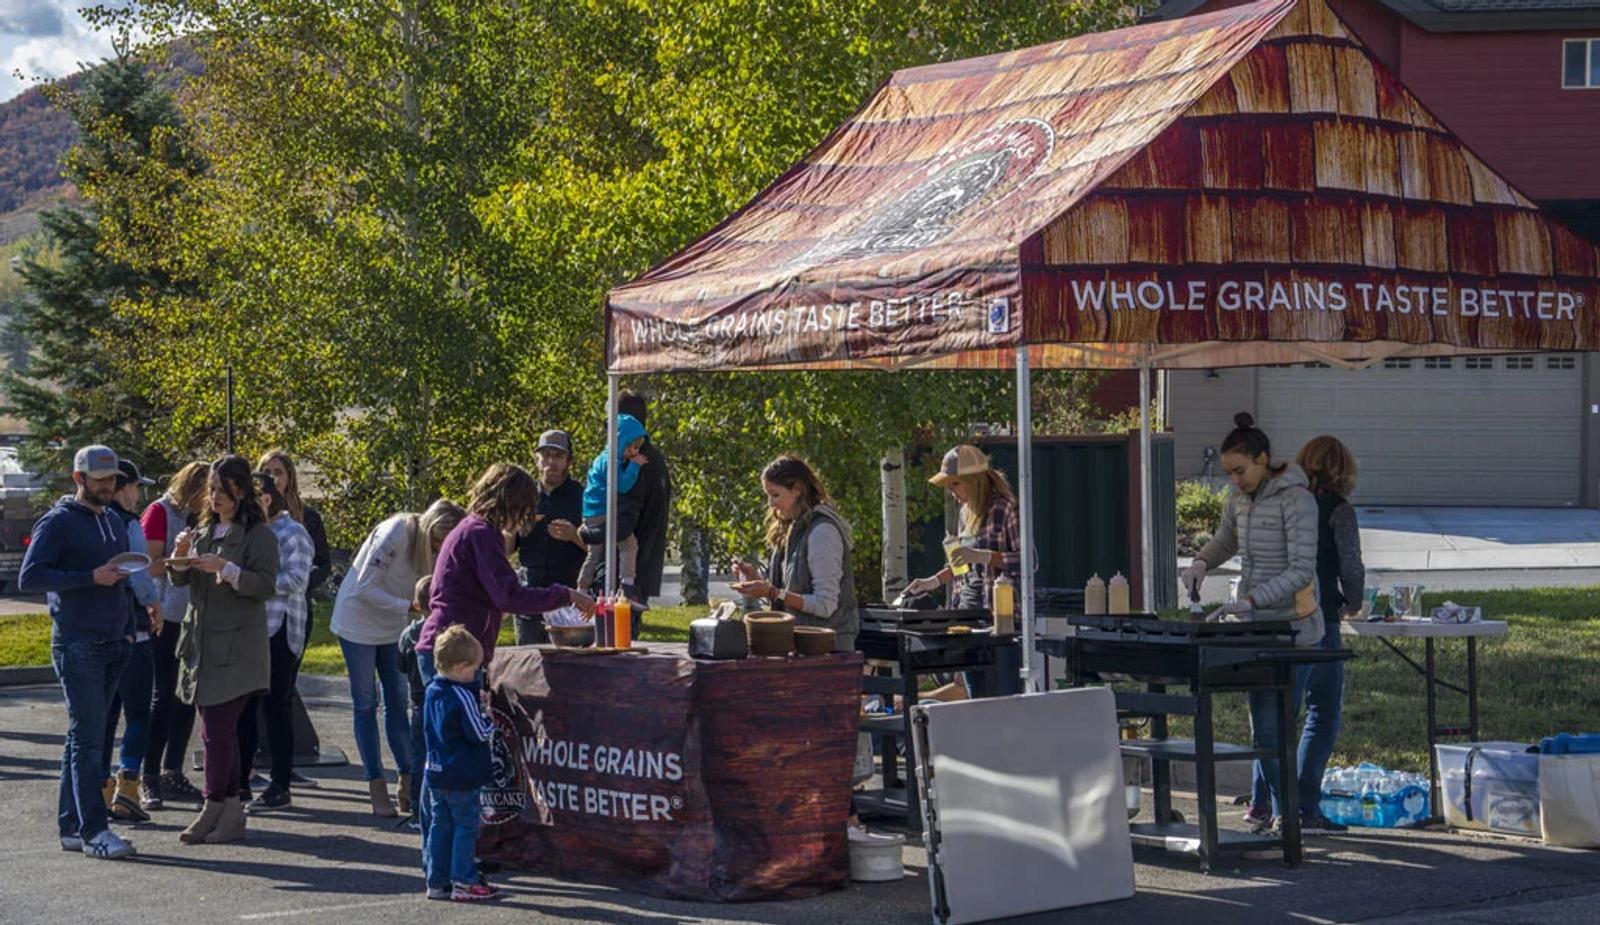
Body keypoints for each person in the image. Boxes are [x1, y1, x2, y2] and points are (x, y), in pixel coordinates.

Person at [1181, 413, 1323, 835]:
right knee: (1262, 723)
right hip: (1256, 625)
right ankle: (1284, 812)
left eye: (1240, 471)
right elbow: (1227, 538)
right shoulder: (1239, 499)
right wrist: (1202, 561)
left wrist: (1251, 601)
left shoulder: (1297, 500)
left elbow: (1301, 570)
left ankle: (1287, 812)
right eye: (1228, 473)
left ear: (1264, 460)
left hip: (1294, 627)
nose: (1234, 480)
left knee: (1278, 720)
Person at [19, 445, 136, 860]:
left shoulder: (111, 521)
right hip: (78, 641)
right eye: (99, 479)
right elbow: (30, 576)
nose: (108, 486)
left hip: (112, 640)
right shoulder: (59, 521)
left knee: (84, 738)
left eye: (112, 479)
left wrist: (128, 629)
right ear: (78, 478)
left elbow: (119, 579)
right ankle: (94, 832)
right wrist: (90, 577)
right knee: (89, 740)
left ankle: (72, 827)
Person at [166, 454, 280, 845]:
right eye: (210, 489)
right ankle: (230, 810)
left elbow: (265, 585)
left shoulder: (257, 535)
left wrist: (226, 570)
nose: (212, 497)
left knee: (217, 730)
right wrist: (181, 558)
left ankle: (214, 803)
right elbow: (181, 583)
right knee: (215, 731)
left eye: (221, 490)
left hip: (236, 648)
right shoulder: (203, 529)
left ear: (241, 491)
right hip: (201, 645)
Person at [330, 499, 465, 818]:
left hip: (393, 627)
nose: (438, 552)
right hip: (357, 622)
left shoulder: (435, 546)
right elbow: (363, 587)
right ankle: (375, 783)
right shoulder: (397, 532)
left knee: (400, 701)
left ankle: (407, 779)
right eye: (437, 543)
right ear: (430, 530)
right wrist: (409, 606)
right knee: (365, 703)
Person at [419, 463, 594, 684]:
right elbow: (509, 597)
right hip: (455, 654)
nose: (523, 519)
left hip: (452, 646)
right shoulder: (480, 534)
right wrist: (567, 595)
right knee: (459, 717)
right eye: (524, 510)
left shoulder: (471, 529)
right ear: (512, 504)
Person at [904, 444, 1023, 695]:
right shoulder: (963, 514)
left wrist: (984, 556)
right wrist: (932, 581)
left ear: (974, 481)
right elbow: (960, 565)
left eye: (955, 484)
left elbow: (1027, 562)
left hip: (999, 622)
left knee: (1002, 699)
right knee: (974, 699)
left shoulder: (1005, 508)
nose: (951, 492)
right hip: (967, 620)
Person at [1293, 435, 1365, 835]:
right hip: (1321, 619)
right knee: (1322, 713)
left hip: (1278, 615)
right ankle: (1305, 805)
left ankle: (1264, 804)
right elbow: (1351, 565)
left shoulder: (1286, 505)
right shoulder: (1338, 510)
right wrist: (1352, 602)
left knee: (1277, 716)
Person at [237, 472, 315, 812]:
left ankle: (280, 784)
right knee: (243, 707)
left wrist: (251, 581)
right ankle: (239, 781)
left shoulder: (293, 532)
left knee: (275, 707)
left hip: (280, 629)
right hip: (248, 630)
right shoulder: (250, 531)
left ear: (266, 498)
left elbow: (298, 579)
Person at [731, 456, 859, 651]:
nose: (770, 504)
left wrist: (772, 592)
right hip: (798, 646)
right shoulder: (792, 529)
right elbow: (789, 593)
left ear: (797, 490)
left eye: (775, 495)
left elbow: (825, 605)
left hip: (828, 650)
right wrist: (757, 582)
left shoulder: (822, 532)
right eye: (768, 495)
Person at [139, 461, 209, 811]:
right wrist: (181, 560)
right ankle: (148, 775)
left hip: (193, 616)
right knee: (164, 695)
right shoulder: (160, 512)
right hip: (165, 613)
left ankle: (172, 771)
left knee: (187, 697)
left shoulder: (204, 518)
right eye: (206, 493)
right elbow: (147, 564)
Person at [100, 459, 160, 824]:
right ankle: (129, 785)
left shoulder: (93, 522)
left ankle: (100, 787)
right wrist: (153, 604)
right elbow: (139, 572)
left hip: (101, 631)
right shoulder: (128, 525)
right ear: (123, 487)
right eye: (136, 487)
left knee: (106, 715)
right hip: (133, 630)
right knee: (139, 713)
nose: (138, 495)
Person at [420, 625, 499, 902]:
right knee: (466, 826)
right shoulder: (462, 695)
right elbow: (479, 732)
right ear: (464, 667)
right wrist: (489, 715)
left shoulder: (432, 690)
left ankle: (436, 879)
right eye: (475, 668)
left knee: (439, 825)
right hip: (462, 773)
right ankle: (464, 879)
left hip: (436, 771)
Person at [511, 430, 585, 646]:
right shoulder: (522, 496)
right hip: (529, 599)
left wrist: (574, 535)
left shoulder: (582, 496)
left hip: (569, 600)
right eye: (545, 455)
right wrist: (517, 527)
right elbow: (504, 549)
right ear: (536, 459)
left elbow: (599, 550)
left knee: (570, 668)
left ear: (569, 461)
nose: (551, 462)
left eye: (558, 456)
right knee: (528, 667)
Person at [257, 450, 332, 627]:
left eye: (278, 472)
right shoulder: (252, 514)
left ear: (289, 477)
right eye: (267, 472)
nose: (273, 478)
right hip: (261, 604)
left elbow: (323, 563)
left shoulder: (308, 516)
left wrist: (302, 583)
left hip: (295, 604)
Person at [576, 414, 647, 596]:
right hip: (602, 512)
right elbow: (622, 485)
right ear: (619, 441)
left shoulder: (605, 458)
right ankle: (627, 586)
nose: (633, 452)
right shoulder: (610, 461)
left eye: (637, 448)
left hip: (592, 511)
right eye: (630, 447)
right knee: (628, 544)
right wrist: (634, 466)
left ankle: (582, 588)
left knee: (595, 553)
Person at [614, 391, 673, 607]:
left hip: (627, 572)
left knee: (615, 637)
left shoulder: (636, 463)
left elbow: (625, 519)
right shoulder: (656, 461)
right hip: (642, 567)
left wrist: (591, 534)